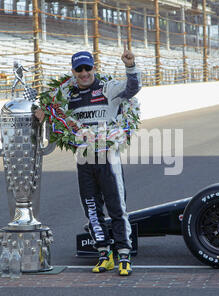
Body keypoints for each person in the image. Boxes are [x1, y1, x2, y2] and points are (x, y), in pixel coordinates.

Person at [35, 47, 141, 276]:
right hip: (83, 157)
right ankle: (104, 253)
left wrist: (130, 66)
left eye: (87, 68)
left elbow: (132, 89)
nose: (84, 73)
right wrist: (42, 110)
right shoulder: (67, 93)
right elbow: (50, 104)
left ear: (94, 67)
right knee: (91, 207)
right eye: (79, 69)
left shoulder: (108, 88)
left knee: (116, 206)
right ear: (73, 71)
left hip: (107, 156)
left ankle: (124, 254)